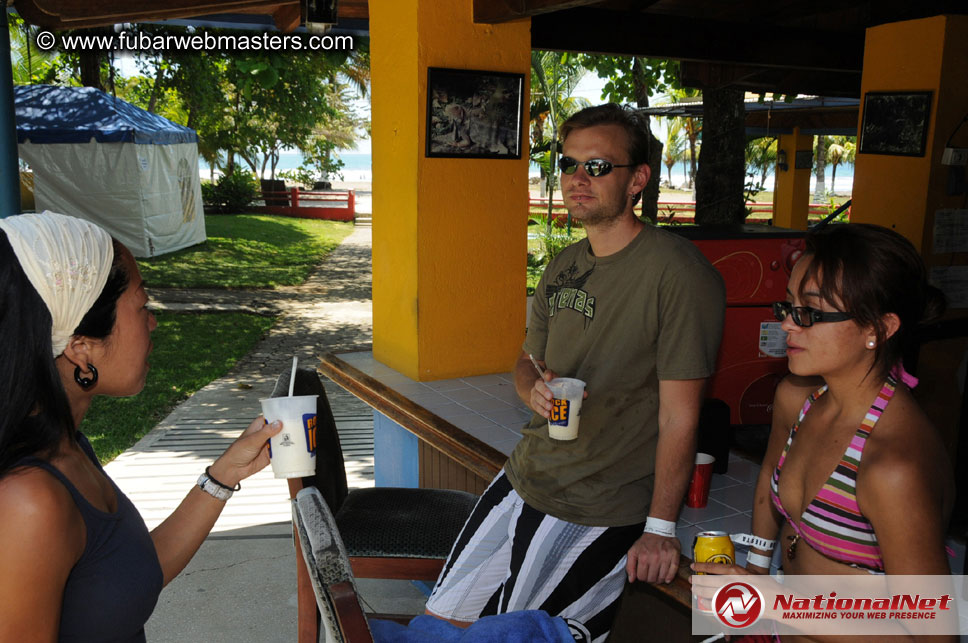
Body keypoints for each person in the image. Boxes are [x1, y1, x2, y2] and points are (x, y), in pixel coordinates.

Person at [426, 104, 726, 641]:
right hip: (525, 475)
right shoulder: (564, 264)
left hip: (598, 502)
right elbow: (527, 361)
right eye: (568, 164)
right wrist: (534, 393)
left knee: (513, 636)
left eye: (598, 166)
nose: (577, 179)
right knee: (441, 621)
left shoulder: (678, 274)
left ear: (637, 179)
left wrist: (660, 528)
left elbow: (681, 417)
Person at [0, 212, 282, 641]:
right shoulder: (29, 500)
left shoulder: (66, 446)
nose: (152, 322)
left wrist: (224, 475)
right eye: (142, 306)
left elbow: (127, 577)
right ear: (81, 348)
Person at [694, 224, 955, 622]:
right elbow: (769, 471)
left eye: (810, 313)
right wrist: (757, 570)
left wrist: (775, 602)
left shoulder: (893, 468)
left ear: (878, 328)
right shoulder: (799, 399)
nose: (787, 324)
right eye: (788, 306)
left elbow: (933, 632)